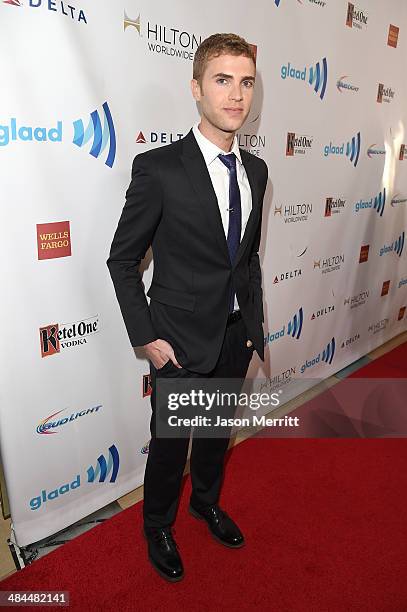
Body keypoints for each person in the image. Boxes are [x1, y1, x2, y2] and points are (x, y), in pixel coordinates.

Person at [106, 32, 268, 582]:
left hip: (232, 336)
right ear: (196, 88)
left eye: (246, 82)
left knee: (218, 435)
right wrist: (146, 336)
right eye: (223, 80)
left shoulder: (258, 171)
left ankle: (205, 504)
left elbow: (244, 261)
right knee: (171, 446)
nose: (236, 95)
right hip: (175, 340)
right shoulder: (160, 169)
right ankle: (158, 524)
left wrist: (253, 326)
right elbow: (123, 260)